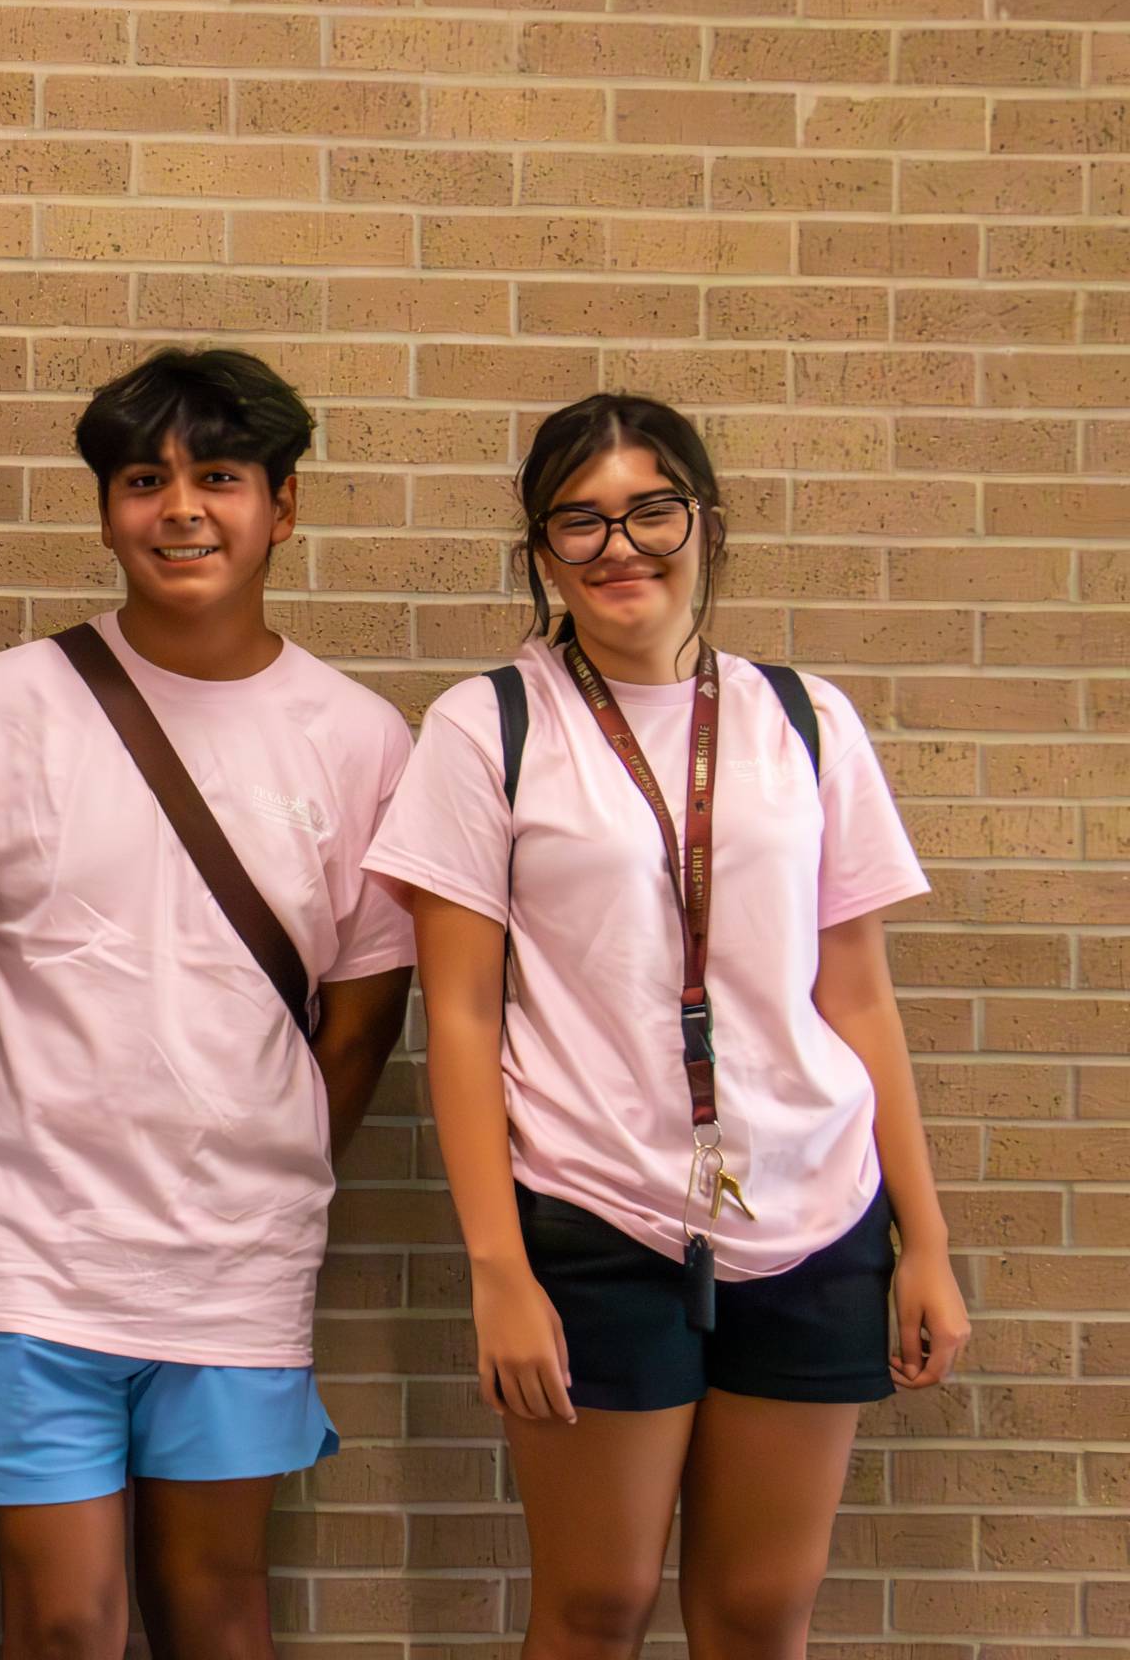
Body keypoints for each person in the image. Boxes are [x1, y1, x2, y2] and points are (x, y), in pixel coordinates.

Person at [360, 393, 970, 1659]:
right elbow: (461, 1015)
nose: (618, 546)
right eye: (577, 522)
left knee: (757, 1613)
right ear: (540, 552)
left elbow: (855, 993)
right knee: (596, 1607)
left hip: (814, 1214)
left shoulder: (803, 718)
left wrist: (925, 1240)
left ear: (706, 521)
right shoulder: (491, 725)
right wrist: (498, 1271)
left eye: (650, 510)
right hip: (596, 1215)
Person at [0, 348, 414, 1660]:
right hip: (27, 1245)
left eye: (221, 477)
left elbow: (363, 1020)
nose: (181, 508)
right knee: (68, 1622)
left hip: (234, 1253)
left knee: (218, 1606)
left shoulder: (360, 738)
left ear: (284, 507)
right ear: (105, 510)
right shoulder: (3, 705)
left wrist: (262, 1160)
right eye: (145, 479)